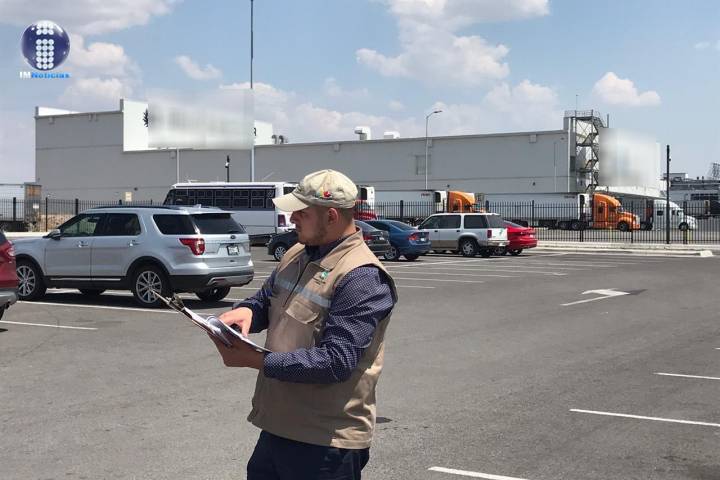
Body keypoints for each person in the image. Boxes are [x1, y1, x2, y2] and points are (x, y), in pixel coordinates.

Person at [211, 169, 398, 480]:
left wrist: (256, 360)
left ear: (331, 216)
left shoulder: (362, 276)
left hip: (325, 441)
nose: (292, 218)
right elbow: (266, 300)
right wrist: (246, 312)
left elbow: (336, 362)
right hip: (279, 426)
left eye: (302, 212)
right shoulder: (297, 253)